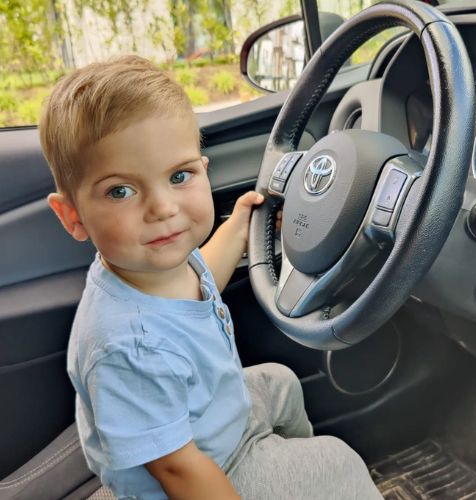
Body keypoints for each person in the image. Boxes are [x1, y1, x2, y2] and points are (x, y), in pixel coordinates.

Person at [39, 55, 382, 500]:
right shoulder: (127, 346)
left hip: (215, 423)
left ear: (203, 169)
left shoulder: (154, 267)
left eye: (179, 176)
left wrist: (240, 226)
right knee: (338, 463)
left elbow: (202, 279)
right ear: (72, 216)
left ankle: (294, 473)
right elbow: (176, 469)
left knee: (279, 382)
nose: (163, 208)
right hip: (199, 472)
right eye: (120, 191)